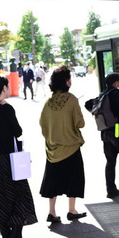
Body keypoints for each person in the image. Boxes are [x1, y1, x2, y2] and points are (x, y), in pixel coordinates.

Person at [0, 75, 38, 238]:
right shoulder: (7, 109)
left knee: (2, 200)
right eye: (7, 86)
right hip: (11, 160)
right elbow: (18, 131)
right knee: (22, 197)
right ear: (4, 88)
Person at [38, 65, 87, 223]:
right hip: (71, 147)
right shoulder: (71, 99)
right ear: (66, 81)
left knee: (53, 181)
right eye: (69, 78)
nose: (70, 81)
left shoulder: (48, 102)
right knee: (73, 178)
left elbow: (42, 124)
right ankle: (71, 210)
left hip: (52, 149)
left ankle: (52, 212)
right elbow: (80, 123)